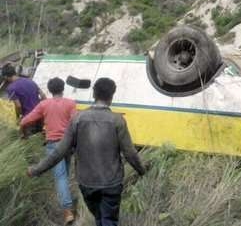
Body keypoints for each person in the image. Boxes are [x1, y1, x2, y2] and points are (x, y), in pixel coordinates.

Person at [28, 77, 146, 226]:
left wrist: (36, 170)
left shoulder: (78, 119)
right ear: (111, 96)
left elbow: (59, 152)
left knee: (99, 217)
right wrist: (142, 171)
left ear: (93, 94)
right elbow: (130, 154)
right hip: (112, 182)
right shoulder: (117, 120)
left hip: (87, 183)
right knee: (108, 219)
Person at [20, 77, 77, 225]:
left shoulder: (44, 105)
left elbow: (26, 120)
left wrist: (22, 131)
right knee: (65, 173)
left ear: (50, 90)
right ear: (62, 88)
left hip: (53, 145)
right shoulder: (71, 104)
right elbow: (76, 123)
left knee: (61, 177)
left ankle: (67, 211)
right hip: (68, 144)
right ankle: (68, 201)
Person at [1, 63, 46, 133]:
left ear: (6, 77)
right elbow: (43, 96)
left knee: (30, 140)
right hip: (40, 115)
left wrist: (19, 117)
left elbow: (18, 106)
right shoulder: (30, 81)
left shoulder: (11, 88)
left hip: (29, 118)